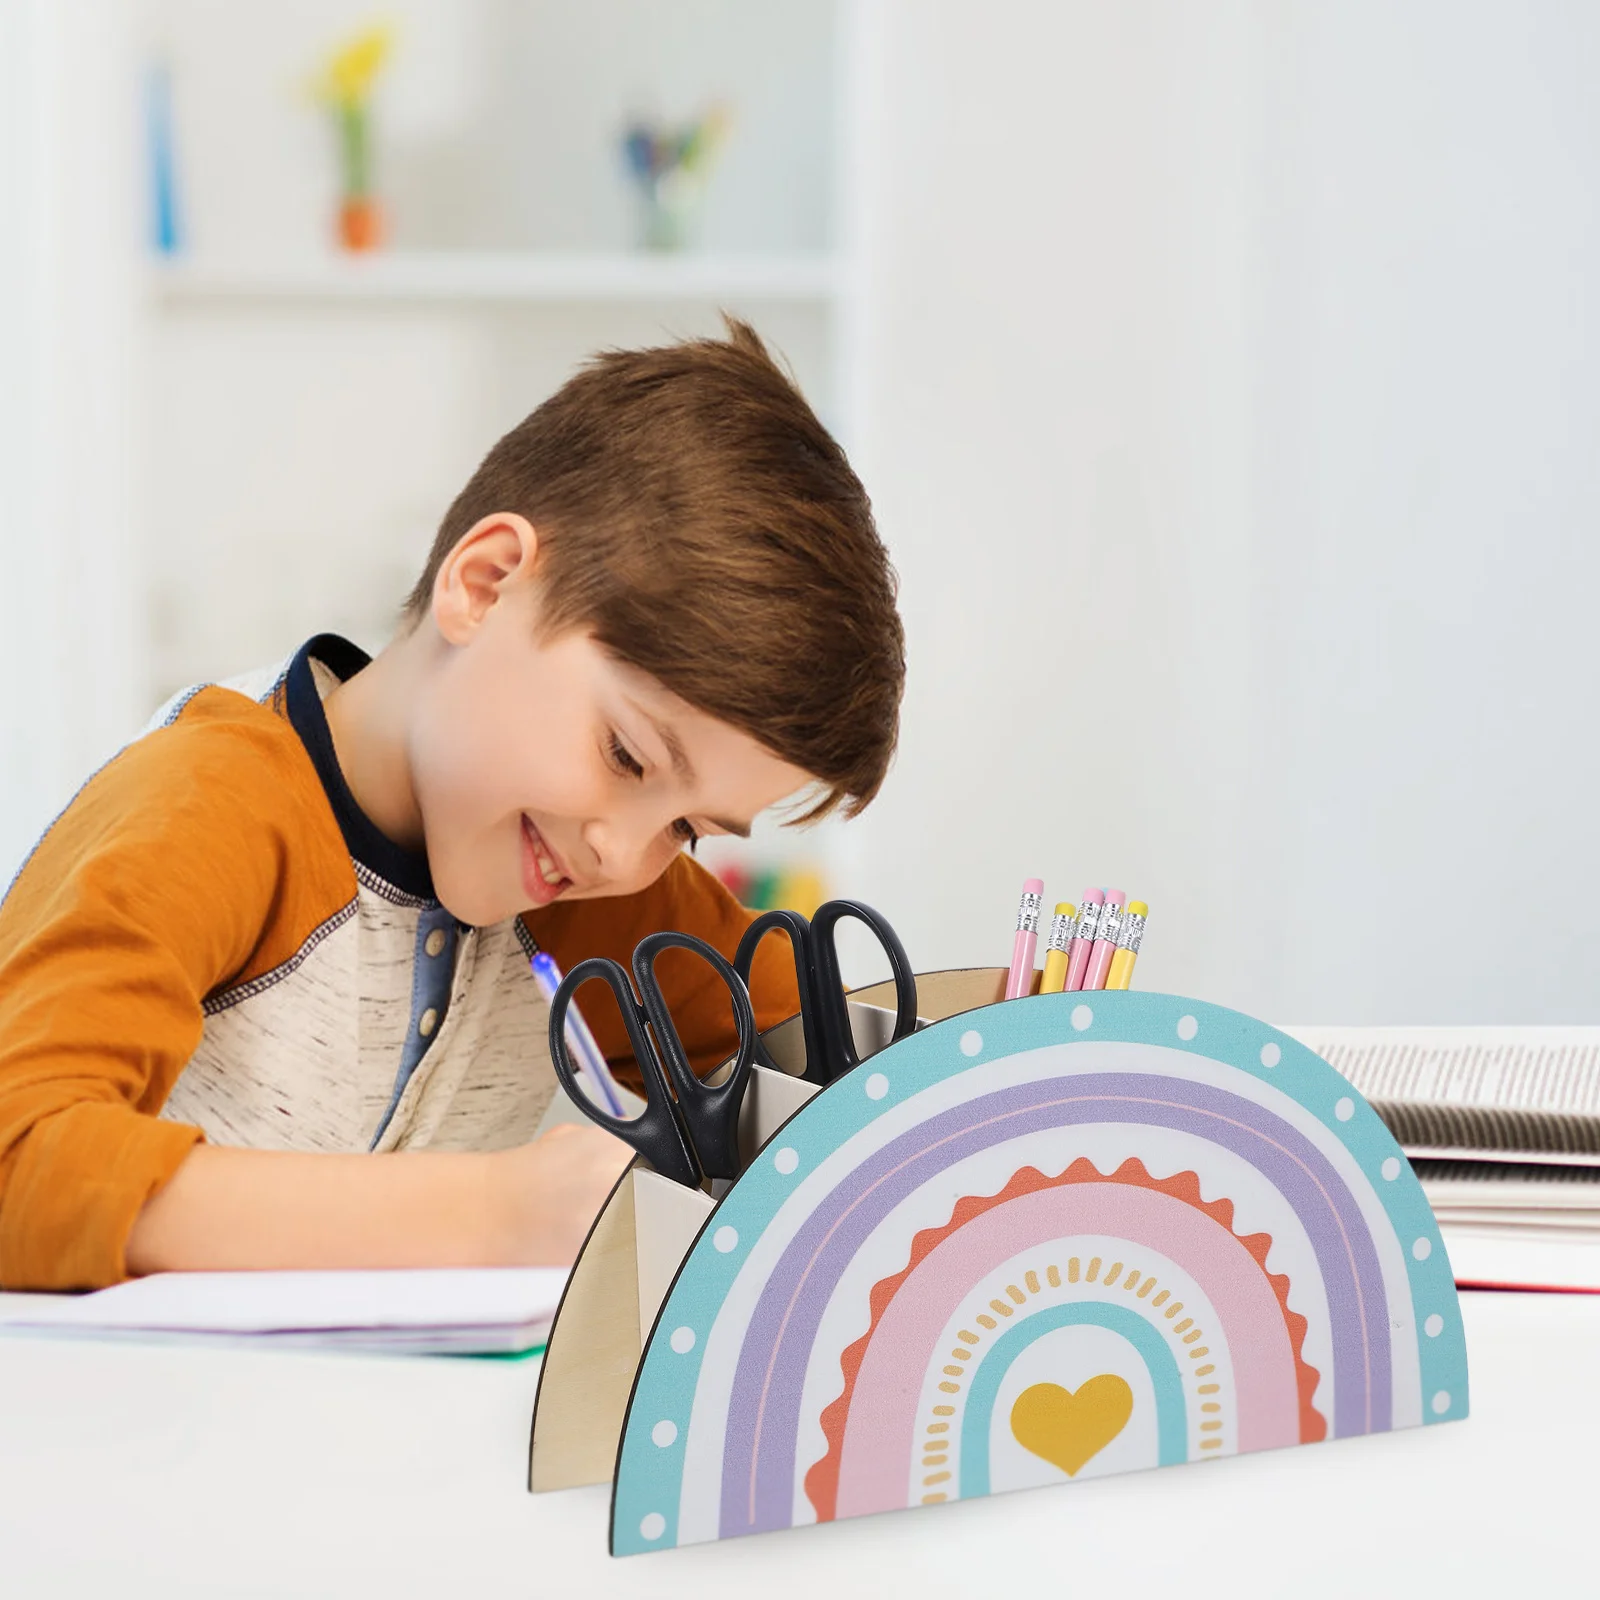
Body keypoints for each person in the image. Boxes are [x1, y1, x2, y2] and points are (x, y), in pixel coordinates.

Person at [0, 319, 905, 1291]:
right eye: (626, 754)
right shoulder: (207, 807)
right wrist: (496, 1212)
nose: (625, 852)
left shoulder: (593, 876)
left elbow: (845, 1077)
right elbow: (17, 1156)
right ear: (484, 584)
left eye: (688, 827)